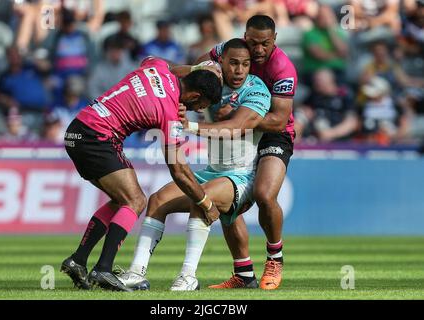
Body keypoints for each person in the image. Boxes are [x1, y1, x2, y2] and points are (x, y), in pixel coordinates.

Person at [116, 38, 272, 291]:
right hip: (213, 172)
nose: (239, 70)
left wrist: (191, 126)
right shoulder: (211, 80)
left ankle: (187, 276)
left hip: (243, 176)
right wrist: (194, 70)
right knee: (156, 200)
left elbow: (235, 128)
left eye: (245, 64)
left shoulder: (256, 89)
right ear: (221, 62)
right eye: (233, 63)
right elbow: (168, 71)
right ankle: (136, 272)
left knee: (203, 200)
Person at [60, 56, 223, 291]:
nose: (196, 110)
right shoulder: (169, 113)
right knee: (135, 200)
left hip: (78, 130)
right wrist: (206, 202)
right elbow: (179, 171)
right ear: (195, 96)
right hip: (97, 138)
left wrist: (198, 68)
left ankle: (78, 260)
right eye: (200, 106)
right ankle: (103, 269)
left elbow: (156, 60)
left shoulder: (158, 69)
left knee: (121, 200)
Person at [195, 15, 297, 290]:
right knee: (229, 199)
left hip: (273, 135)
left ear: (275, 39)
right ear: (244, 36)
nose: (259, 50)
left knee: (264, 194)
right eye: (253, 43)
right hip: (236, 130)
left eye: (265, 44)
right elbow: (200, 67)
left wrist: (241, 117)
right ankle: (244, 274)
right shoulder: (231, 50)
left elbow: (277, 120)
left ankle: (275, 258)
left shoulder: (282, 68)